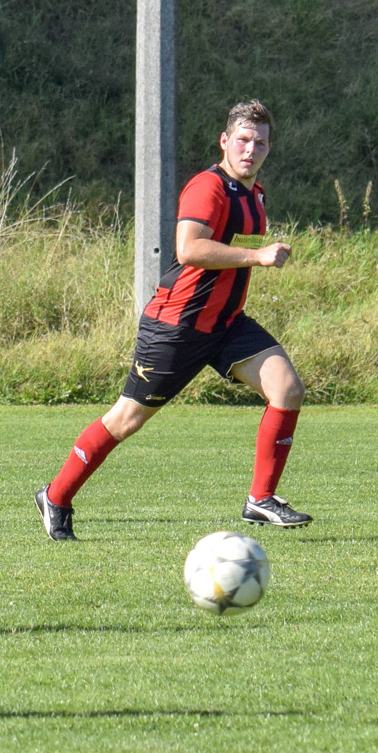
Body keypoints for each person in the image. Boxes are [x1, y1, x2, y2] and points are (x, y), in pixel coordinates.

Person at [34, 99, 311, 541]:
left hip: (226, 324)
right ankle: (56, 496)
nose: (250, 149)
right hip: (177, 326)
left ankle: (261, 499)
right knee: (126, 419)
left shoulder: (254, 194)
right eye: (242, 140)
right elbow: (190, 249)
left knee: (288, 389)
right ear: (224, 141)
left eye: (260, 143)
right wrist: (257, 256)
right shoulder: (208, 187)